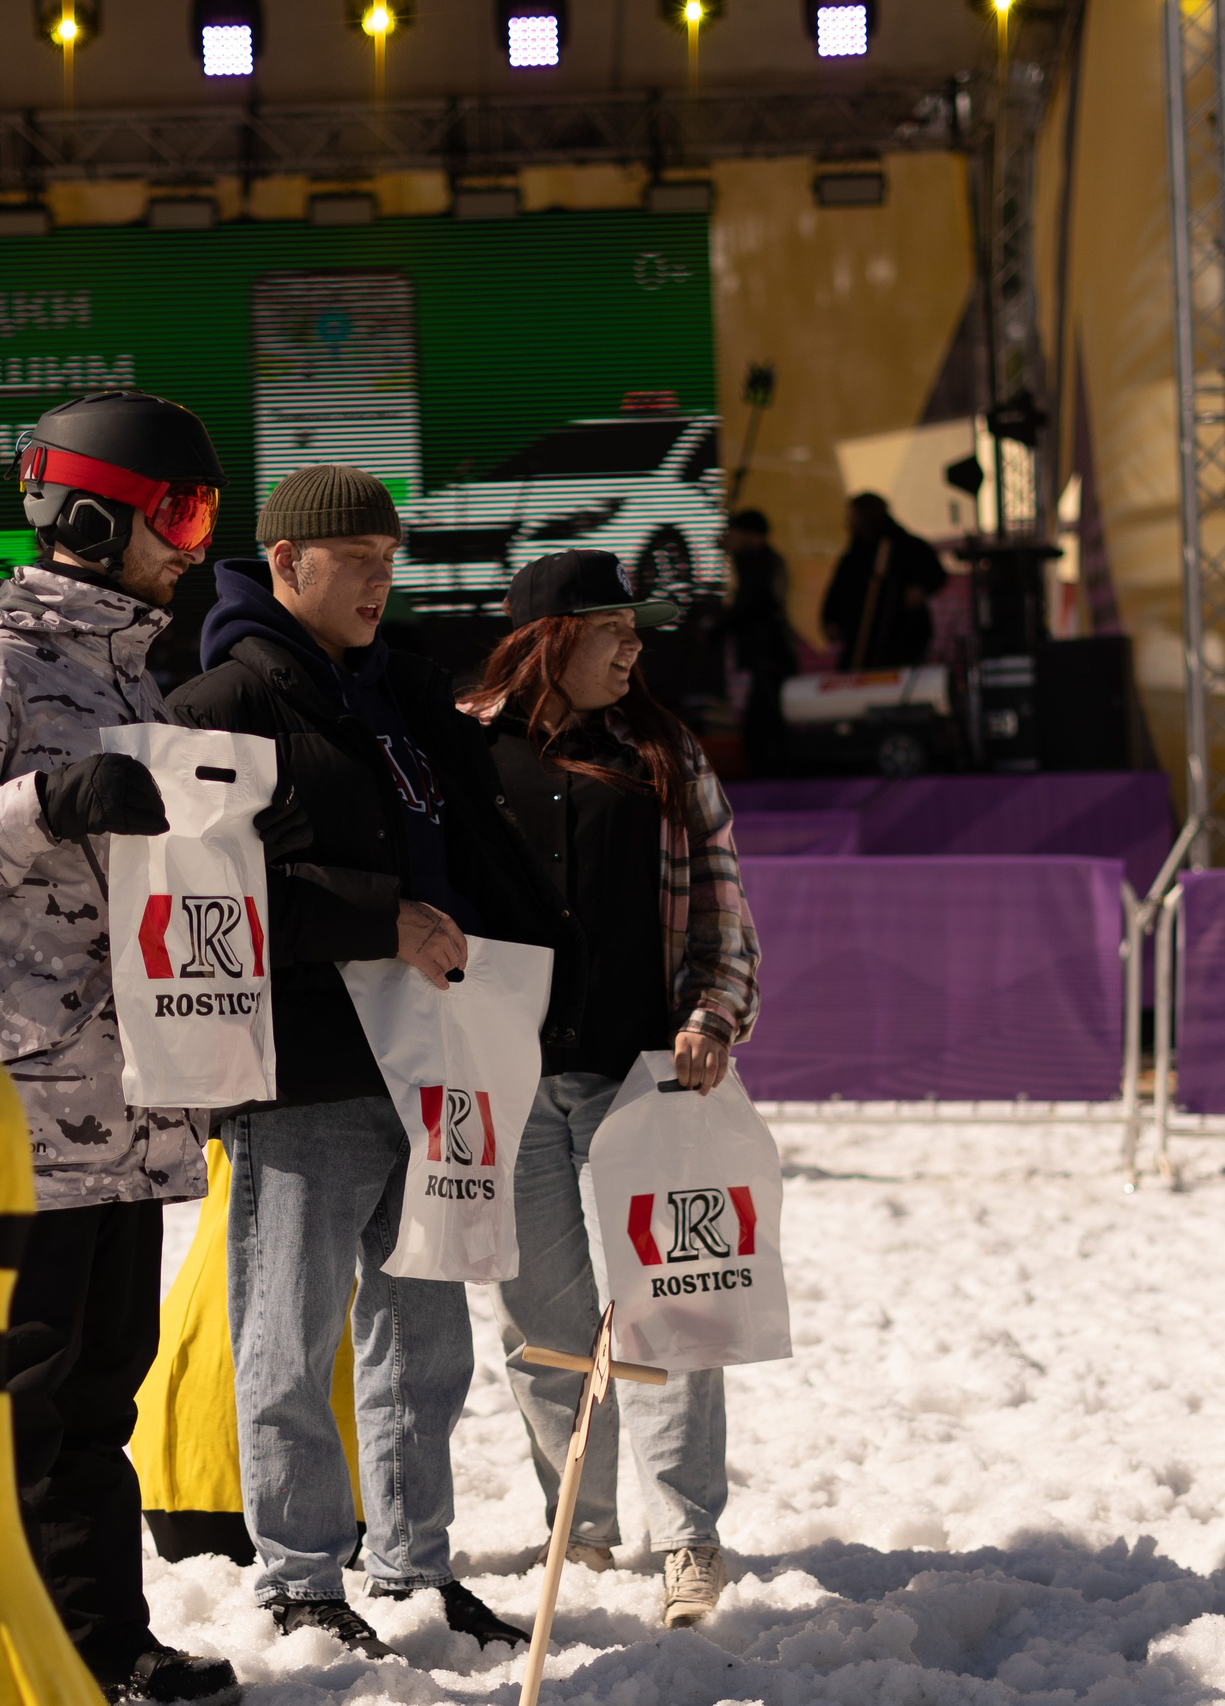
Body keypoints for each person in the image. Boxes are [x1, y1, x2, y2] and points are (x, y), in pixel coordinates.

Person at [0, 391, 238, 1704]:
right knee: (22, 1396)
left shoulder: (138, 668)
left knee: (99, 1395)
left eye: (206, 514)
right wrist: (42, 801)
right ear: (88, 516)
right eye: (178, 512)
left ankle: (98, 1642)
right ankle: (10, 1648)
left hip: (125, 1093)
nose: (194, 541)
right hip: (17, 1100)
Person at [166, 466, 567, 1660]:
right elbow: (197, 897)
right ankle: (296, 1577)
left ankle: (414, 1566)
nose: (379, 583)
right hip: (305, 1070)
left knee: (427, 1335)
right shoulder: (217, 701)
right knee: (287, 1335)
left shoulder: (397, 693)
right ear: (286, 564)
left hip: (434, 1062)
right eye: (357, 561)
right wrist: (371, 919)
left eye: (391, 560)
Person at [461, 548, 761, 1632]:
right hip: (508, 1083)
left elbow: (723, 910)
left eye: (636, 630)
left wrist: (711, 1015)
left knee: (674, 1315)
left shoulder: (666, 751)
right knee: (540, 1321)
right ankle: (576, 1528)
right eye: (611, 629)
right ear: (550, 638)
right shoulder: (462, 749)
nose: (634, 647)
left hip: (648, 1077)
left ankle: (687, 1539)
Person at [819, 492, 948, 671]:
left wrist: (921, 589)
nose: (848, 522)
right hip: (860, 643)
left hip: (901, 637)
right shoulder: (854, 558)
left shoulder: (906, 546)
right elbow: (837, 592)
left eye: (853, 516)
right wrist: (830, 619)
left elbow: (935, 574)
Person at [717, 509, 798, 774]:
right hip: (769, 656)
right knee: (765, 720)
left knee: (764, 724)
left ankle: (772, 776)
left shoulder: (761, 565)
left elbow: (752, 604)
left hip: (768, 657)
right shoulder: (763, 563)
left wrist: (716, 626)